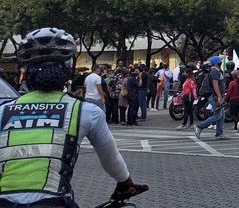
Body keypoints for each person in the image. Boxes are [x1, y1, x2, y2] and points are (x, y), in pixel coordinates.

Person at [0, 28, 147, 207]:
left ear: (27, 72)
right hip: (53, 202)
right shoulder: (86, 110)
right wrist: (125, 182)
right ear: (68, 69)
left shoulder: (3, 110)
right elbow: (111, 159)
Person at [194, 56, 226, 140]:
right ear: (216, 63)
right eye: (220, 61)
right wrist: (219, 96)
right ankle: (199, 126)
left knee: (221, 115)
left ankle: (219, 133)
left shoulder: (215, 71)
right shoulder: (214, 72)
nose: (221, 62)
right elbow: (215, 85)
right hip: (215, 96)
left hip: (217, 96)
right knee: (218, 115)